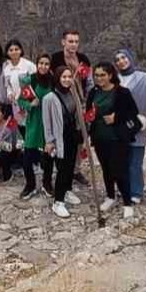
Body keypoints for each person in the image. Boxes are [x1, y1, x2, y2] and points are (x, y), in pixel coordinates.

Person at [87, 62, 141, 219]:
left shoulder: (122, 92)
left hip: (117, 138)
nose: (99, 78)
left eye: (103, 75)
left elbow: (133, 113)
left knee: (120, 170)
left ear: (110, 75)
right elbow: (90, 111)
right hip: (99, 137)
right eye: (96, 75)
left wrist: (116, 117)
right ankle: (110, 196)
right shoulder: (94, 92)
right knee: (106, 169)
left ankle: (127, 202)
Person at [114, 47, 146, 205]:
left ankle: (136, 192)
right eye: (117, 59)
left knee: (135, 163)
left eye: (124, 57)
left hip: (137, 126)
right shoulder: (115, 79)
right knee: (121, 161)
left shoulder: (142, 77)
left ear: (130, 58)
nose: (121, 61)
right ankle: (123, 190)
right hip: (119, 127)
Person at [43, 66, 85, 217]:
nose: (67, 80)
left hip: (72, 136)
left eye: (69, 77)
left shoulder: (73, 94)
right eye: (64, 77)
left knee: (70, 167)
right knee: (63, 169)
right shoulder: (49, 98)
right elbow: (47, 122)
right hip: (59, 138)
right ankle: (58, 201)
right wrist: (49, 141)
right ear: (58, 79)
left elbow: (77, 114)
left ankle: (67, 191)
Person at [17, 54, 56, 199]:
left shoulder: (54, 81)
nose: (43, 66)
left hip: (49, 124)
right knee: (27, 158)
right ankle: (30, 185)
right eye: (41, 63)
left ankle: (47, 183)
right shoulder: (30, 80)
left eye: (46, 64)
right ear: (37, 64)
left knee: (48, 157)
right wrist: (29, 104)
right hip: (33, 123)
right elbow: (20, 100)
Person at [0, 103, 22, 184]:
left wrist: (3, 144)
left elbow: (18, 143)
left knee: (3, 155)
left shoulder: (10, 125)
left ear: (3, 114)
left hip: (9, 152)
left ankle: (8, 175)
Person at [49, 30, 93, 98]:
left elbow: (89, 82)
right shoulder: (55, 59)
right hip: (61, 98)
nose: (74, 44)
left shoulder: (83, 59)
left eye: (76, 42)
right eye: (71, 42)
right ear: (63, 42)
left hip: (81, 98)